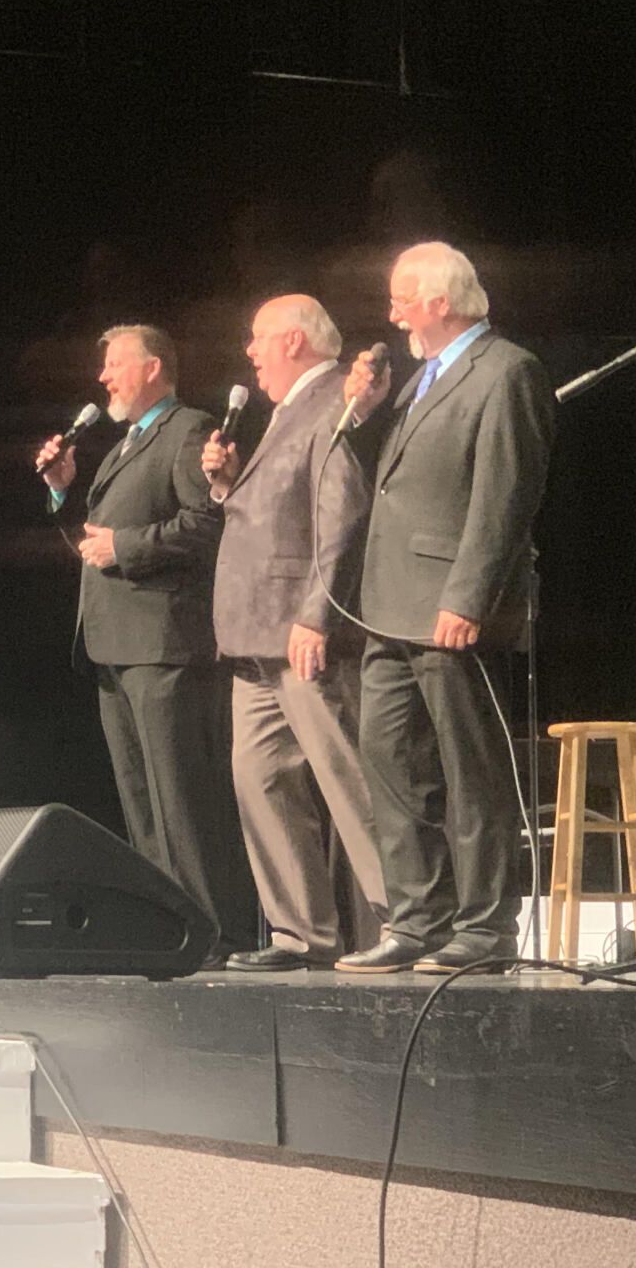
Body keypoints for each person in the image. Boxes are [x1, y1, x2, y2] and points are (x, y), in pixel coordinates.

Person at [335, 242, 554, 975]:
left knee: (471, 773)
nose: (392, 311)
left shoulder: (506, 370)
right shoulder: (417, 381)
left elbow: (505, 498)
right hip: (388, 606)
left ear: (441, 300)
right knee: (392, 765)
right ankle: (417, 922)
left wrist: (468, 596)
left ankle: (486, 929)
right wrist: (365, 415)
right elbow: (394, 483)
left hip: (449, 608)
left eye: (402, 296)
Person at [35, 324, 253, 952]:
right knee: (142, 805)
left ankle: (213, 932)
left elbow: (208, 522)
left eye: (115, 365)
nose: (103, 377)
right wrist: (61, 491)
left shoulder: (187, 430)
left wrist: (124, 546)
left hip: (164, 646)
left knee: (181, 800)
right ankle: (169, 930)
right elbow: (92, 549)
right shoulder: (124, 446)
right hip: (115, 647)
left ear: (153, 368)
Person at [201, 294, 387, 971]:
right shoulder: (287, 410)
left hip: (300, 633)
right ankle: (301, 935)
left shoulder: (335, 399)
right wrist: (227, 486)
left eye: (258, 338)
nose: (250, 352)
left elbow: (341, 516)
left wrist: (318, 613)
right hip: (254, 639)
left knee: (348, 781)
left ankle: (403, 922)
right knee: (261, 783)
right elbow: (277, 511)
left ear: (294, 341)